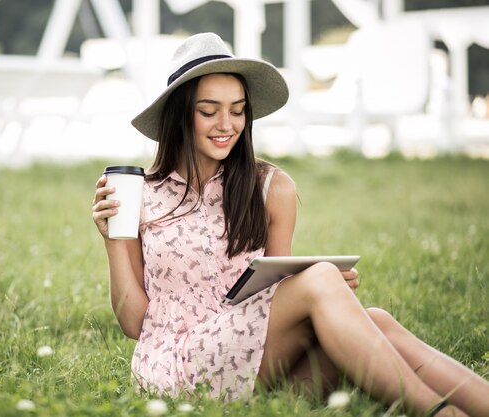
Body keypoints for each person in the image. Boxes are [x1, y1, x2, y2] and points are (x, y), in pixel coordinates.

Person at [91, 32, 489, 416]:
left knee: (376, 319)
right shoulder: (138, 194)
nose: (227, 124)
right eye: (209, 111)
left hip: (258, 365)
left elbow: (274, 299)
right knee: (319, 282)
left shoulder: (271, 188)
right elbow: (133, 323)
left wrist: (321, 289)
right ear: (179, 115)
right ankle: (439, 413)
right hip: (176, 370)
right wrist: (112, 239)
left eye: (238, 109)